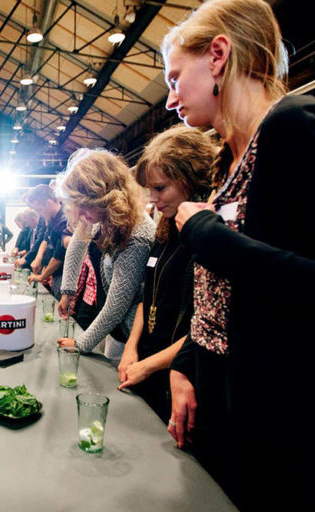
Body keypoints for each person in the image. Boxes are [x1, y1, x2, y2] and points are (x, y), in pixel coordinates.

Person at [162, 0, 315, 509]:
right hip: (219, 393)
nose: (171, 98)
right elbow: (220, 297)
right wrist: (186, 364)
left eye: (176, 78)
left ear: (218, 55)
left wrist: (208, 234)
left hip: (273, 408)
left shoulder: (297, 125)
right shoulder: (229, 155)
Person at [116, 125, 217, 422]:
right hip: (149, 366)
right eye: (150, 190)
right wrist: (131, 348)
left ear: (190, 180)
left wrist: (148, 365)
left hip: (180, 375)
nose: (153, 199)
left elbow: (205, 326)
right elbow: (146, 298)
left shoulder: (208, 238)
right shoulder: (165, 232)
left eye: (161, 189)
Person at [55, 149, 156, 364]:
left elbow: (117, 306)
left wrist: (80, 344)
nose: (81, 213)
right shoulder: (101, 218)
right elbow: (77, 245)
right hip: (114, 328)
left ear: (106, 198)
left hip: (131, 336)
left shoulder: (137, 235)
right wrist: (68, 291)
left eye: (86, 205)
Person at [26, 184, 71, 298]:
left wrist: (42, 276)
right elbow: (45, 240)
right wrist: (38, 258)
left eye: (39, 210)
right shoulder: (51, 218)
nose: (40, 214)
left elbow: (58, 257)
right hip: (55, 274)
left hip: (64, 276)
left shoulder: (64, 221)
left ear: (49, 203)